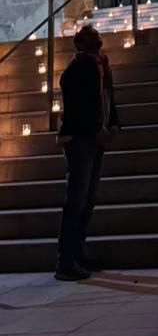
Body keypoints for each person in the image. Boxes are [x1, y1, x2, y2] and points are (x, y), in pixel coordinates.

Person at [55, 24, 121, 281]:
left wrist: (114, 124)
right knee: (77, 199)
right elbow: (77, 108)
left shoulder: (102, 65)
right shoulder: (78, 68)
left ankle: (77, 253)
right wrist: (97, 129)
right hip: (81, 139)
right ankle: (65, 260)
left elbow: (108, 99)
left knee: (88, 198)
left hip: (95, 138)